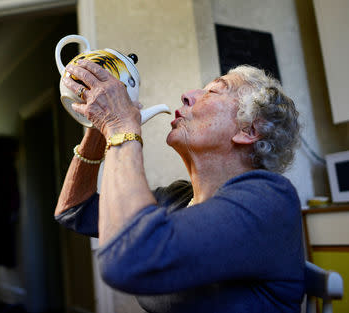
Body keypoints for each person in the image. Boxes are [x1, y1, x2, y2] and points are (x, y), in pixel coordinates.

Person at [54, 59, 304, 313]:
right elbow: (74, 210)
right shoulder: (177, 198)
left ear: (249, 130)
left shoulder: (269, 199)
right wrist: (99, 128)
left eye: (213, 91)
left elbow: (129, 259)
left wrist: (119, 126)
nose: (187, 95)